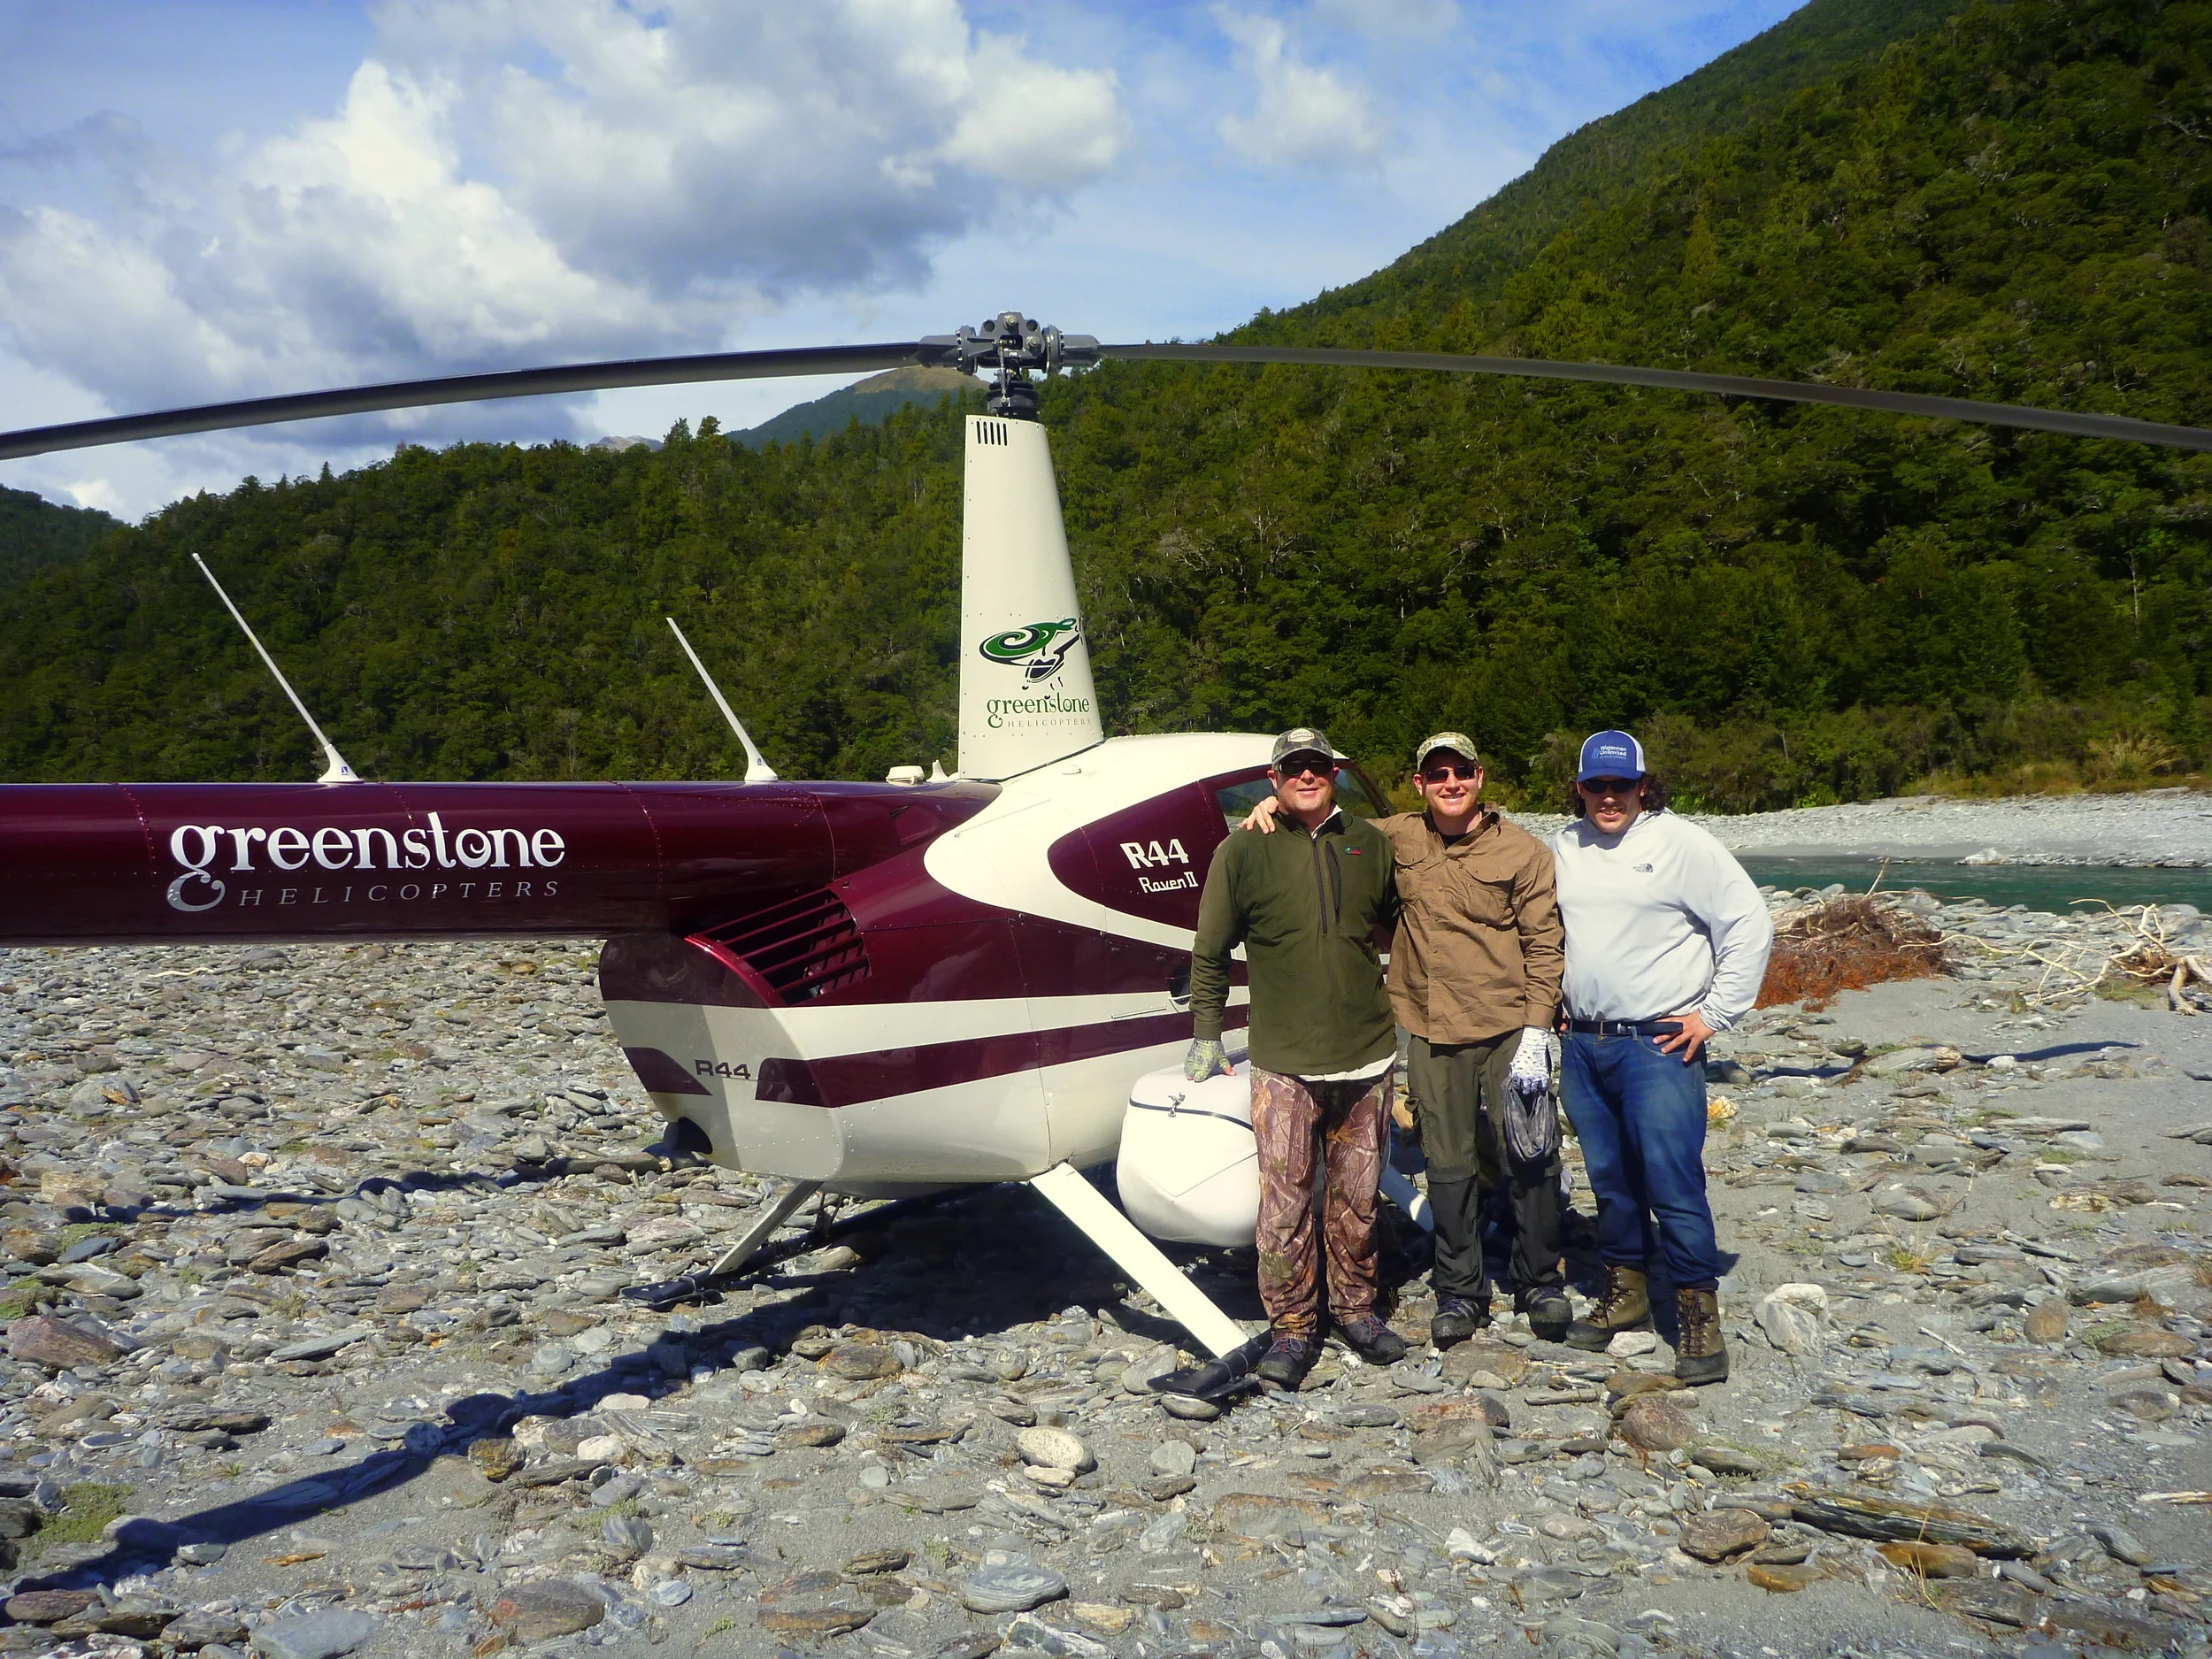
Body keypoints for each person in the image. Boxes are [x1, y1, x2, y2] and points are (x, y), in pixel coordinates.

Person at [1240, 733, 1570, 1348]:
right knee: (1448, 1165)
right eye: (1436, 773)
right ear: (1419, 783)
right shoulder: (1394, 835)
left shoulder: (1524, 851)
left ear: (1480, 776)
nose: (1450, 783)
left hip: (1506, 1027)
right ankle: (1460, 1290)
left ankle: (1539, 1279)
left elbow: (1546, 944)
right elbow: (1319, 815)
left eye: (1461, 772)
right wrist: (1271, 808)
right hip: (1431, 1027)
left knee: (1529, 1153)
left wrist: (1536, 1030)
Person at [1187, 726, 1409, 1390]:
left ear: (1333, 772)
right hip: (1284, 1061)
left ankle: (1357, 1311)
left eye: (1317, 765)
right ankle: (1291, 1327)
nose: (1306, 775)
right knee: (1283, 1206)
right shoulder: (1242, 848)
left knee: (1359, 1199)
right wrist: (1205, 1033)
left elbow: (1400, 926)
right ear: (1274, 775)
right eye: (1294, 767)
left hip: (1367, 1056)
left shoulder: (1371, 842)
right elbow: (1210, 949)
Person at [1550, 730, 1773, 1384]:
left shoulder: (1683, 844)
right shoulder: (1564, 846)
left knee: (1672, 1180)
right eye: (1597, 785)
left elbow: (1748, 922)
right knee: (1610, 1178)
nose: (1610, 797)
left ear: (1645, 785)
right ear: (1581, 786)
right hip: (1583, 1042)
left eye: (1623, 785)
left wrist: (1713, 1014)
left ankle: (1698, 1312)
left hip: (1658, 1043)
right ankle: (1626, 1294)